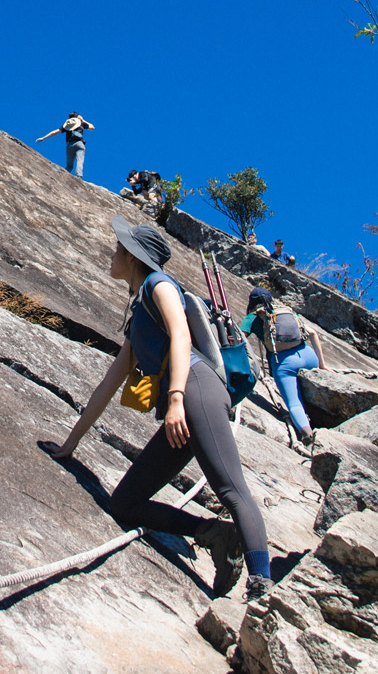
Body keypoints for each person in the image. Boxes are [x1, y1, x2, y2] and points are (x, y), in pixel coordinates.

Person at [44, 216, 274, 603]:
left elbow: (182, 334)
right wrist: (70, 445)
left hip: (195, 391)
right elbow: (108, 385)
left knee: (229, 486)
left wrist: (176, 398)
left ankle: (262, 585)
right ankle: (215, 535)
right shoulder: (137, 317)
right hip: (180, 407)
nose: (113, 253)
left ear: (135, 257)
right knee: (125, 503)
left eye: (120, 248)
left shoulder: (159, 284)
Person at [242, 286, 324, 444]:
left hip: (285, 363)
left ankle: (306, 433)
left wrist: (247, 360)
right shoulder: (284, 311)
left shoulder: (253, 316)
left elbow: (240, 337)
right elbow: (313, 333)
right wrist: (322, 365)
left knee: (294, 403)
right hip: (308, 355)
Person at [35, 112, 95, 178]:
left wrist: (43, 138)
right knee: (79, 161)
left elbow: (55, 132)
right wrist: (83, 120)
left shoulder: (67, 126)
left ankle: (63, 177)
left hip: (70, 145)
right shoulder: (82, 123)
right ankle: (79, 176)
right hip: (79, 144)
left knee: (69, 165)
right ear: (78, 117)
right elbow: (92, 127)